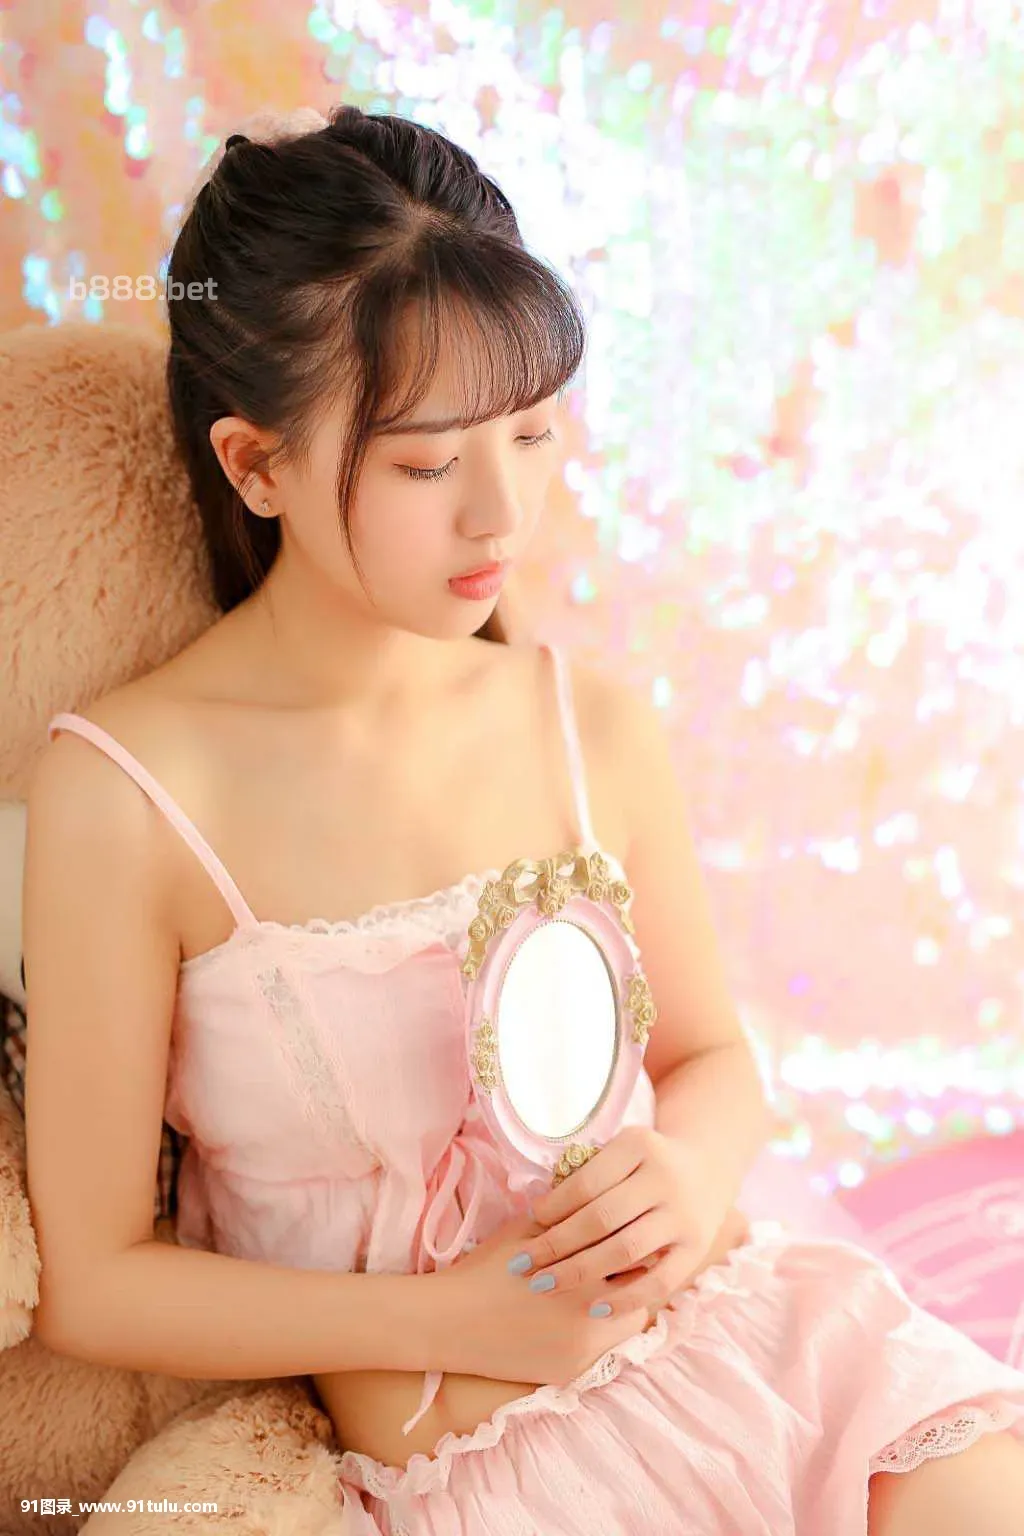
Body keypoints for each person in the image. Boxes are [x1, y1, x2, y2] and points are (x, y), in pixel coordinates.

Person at [22, 102, 1024, 1536]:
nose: (501, 513)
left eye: (535, 432)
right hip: (490, 1476)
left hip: (775, 1353)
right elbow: (96, 1281)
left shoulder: (583, 722)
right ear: (255, 466)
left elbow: (714, 1059)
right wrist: (445, 1319)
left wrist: (690, 1172)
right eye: (428, 465)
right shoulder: (130, 793)